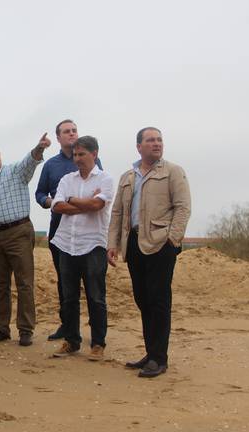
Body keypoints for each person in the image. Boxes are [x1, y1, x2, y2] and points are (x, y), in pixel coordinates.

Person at [107, 127, 191, 378]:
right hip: (133, 243)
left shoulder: (173, 171)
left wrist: (172, 239)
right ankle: (150, 352)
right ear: (139, 147)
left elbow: (183, 208)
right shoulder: (128, 177)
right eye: (151, 140)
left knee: (158, 300)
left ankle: (159, 358)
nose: (157, 144)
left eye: (159, 140)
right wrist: (112, 243)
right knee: (142, 299)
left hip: (160, 243)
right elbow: (117, 213)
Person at [0, 134, 50, 347]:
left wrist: (39, 148)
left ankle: (25, 330)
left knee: (24, 283)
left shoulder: (15, 171)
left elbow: (30, 161)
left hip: (19, 231)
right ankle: (1, 328)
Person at [47, 136, 113, 361]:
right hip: (67, 243)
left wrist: (73, 200)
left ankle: (98, 344)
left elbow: (97, 204)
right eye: (75, 154)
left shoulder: (105, 179)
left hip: (93, 244)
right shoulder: (67, 179)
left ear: (94, 154)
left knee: (96, 297)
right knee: (69, 297)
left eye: (81, 154)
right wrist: (83, 203)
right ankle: (72, 341)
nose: (77, 159)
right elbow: (57, 206)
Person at [35, 119, 103, 341]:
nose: (72, 134)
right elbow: (40, 193)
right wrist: (51, 202)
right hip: (60, 227)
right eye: (66, 131)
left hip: (89, 228)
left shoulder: (94, 160)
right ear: (58, 137)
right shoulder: (51, 165)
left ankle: (96, 328)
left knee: (92, 281)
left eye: (74, 130)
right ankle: (68, 326)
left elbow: (98, 196)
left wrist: (70, 203)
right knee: (65, 280)